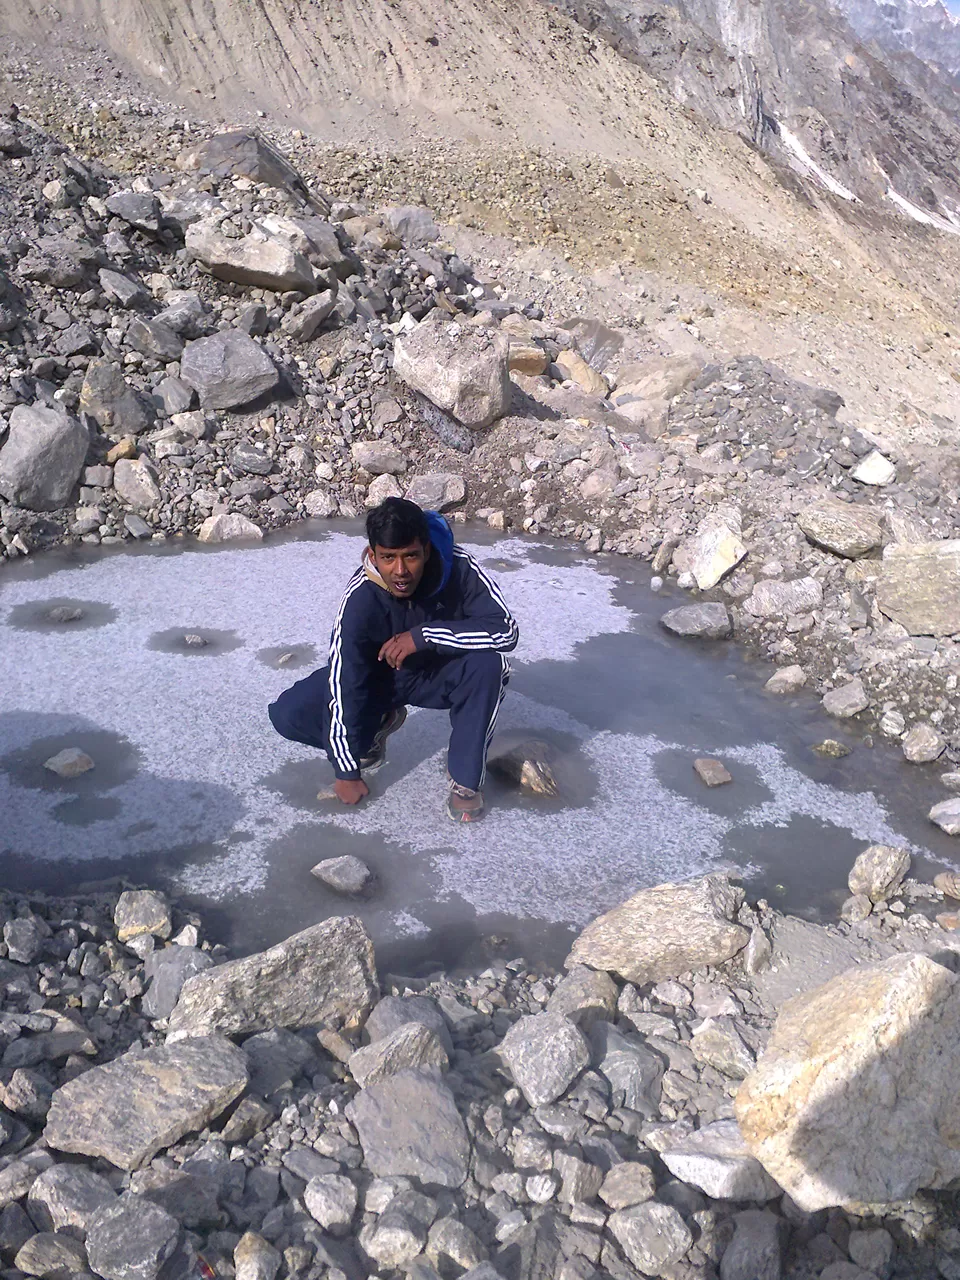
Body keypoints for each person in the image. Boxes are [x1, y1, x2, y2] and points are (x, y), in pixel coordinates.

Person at [268, 497, 519, 823]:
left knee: (489, 666)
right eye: (388, 558)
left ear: (426, 551)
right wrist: (345, 771)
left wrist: (425, 636)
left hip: (439, 673)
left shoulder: (458, 567)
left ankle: (466, 781)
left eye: (410, 556)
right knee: (289, 714)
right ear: (373, 555)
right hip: (381, 680)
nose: (400, 571)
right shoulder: (360, 598)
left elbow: (505, 633)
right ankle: (374, 729)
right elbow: (346, 680)